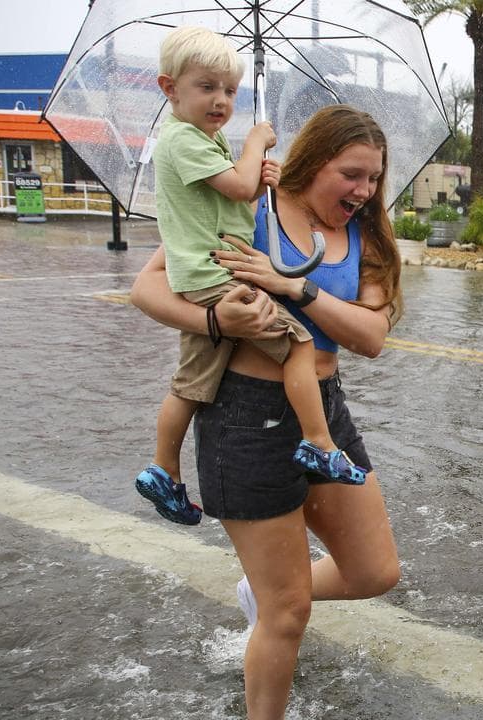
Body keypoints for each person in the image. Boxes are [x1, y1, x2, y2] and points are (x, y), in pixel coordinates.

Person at [130, 104, 402, 719]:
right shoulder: (247, 205)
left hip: (323, 409)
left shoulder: (368, 236)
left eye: (374, 178)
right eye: (351, 174)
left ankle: (264, 588)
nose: (364, 191)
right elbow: (146, 288)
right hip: (245, 416)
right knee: (289, 614)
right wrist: (213, 317)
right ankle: (275, 613)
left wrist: (293, 286)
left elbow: (369, 335)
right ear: (313, 161)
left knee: (375, 570)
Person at [136, 26, 366, 529]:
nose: (221, 101)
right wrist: (256, 143)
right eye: (207, 88)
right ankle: (319, 443)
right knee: (299, 343)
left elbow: (235, 190)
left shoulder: (206, 142)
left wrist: (258, 175)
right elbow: (238, 190)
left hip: (209, 274)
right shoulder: (186, 141)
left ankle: (163, 469)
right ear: (169, 88)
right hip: (217, 276)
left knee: (190, 386)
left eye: (230, 90)